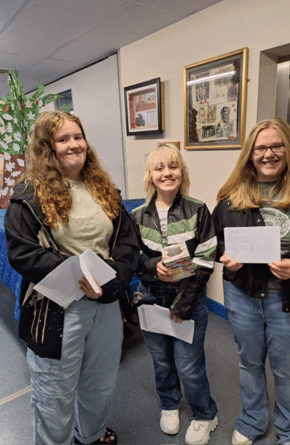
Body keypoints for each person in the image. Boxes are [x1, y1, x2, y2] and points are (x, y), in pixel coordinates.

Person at [4, 110, 139, 445]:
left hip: (106, 302)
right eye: (63, 139)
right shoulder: (28, 194)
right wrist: (77, 273)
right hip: (58, 308)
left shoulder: (104, 188)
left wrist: (113, 280)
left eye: (77, 137)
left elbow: (127, 241)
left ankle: (90, 435)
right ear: (48, 148)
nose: (73, 145)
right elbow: (22, 252)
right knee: (54, 395)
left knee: (100, 383)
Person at [212, 118, 290, 445]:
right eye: (261, 147)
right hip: (243, 295)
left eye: (276, 146)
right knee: (249, 363)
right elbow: (215, 242)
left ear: (289, 150)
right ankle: (252, 421)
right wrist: (227, 256)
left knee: (288, 370)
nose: (269, 153)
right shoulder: (230, 197)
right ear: (250, 153)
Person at [131, 142, 219, 444]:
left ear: (182, 171)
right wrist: (155, 267)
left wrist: (182, 305)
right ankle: (169, 404)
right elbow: (134, 259)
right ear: (150, 176)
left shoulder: (198, 210)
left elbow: (206, 259)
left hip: (189, 301)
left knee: (190, 365)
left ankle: (205, 413)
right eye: (159, 168)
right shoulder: (138, 216)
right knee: (161, 360)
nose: (167, 173)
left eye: (173, 166)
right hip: (152, 299)